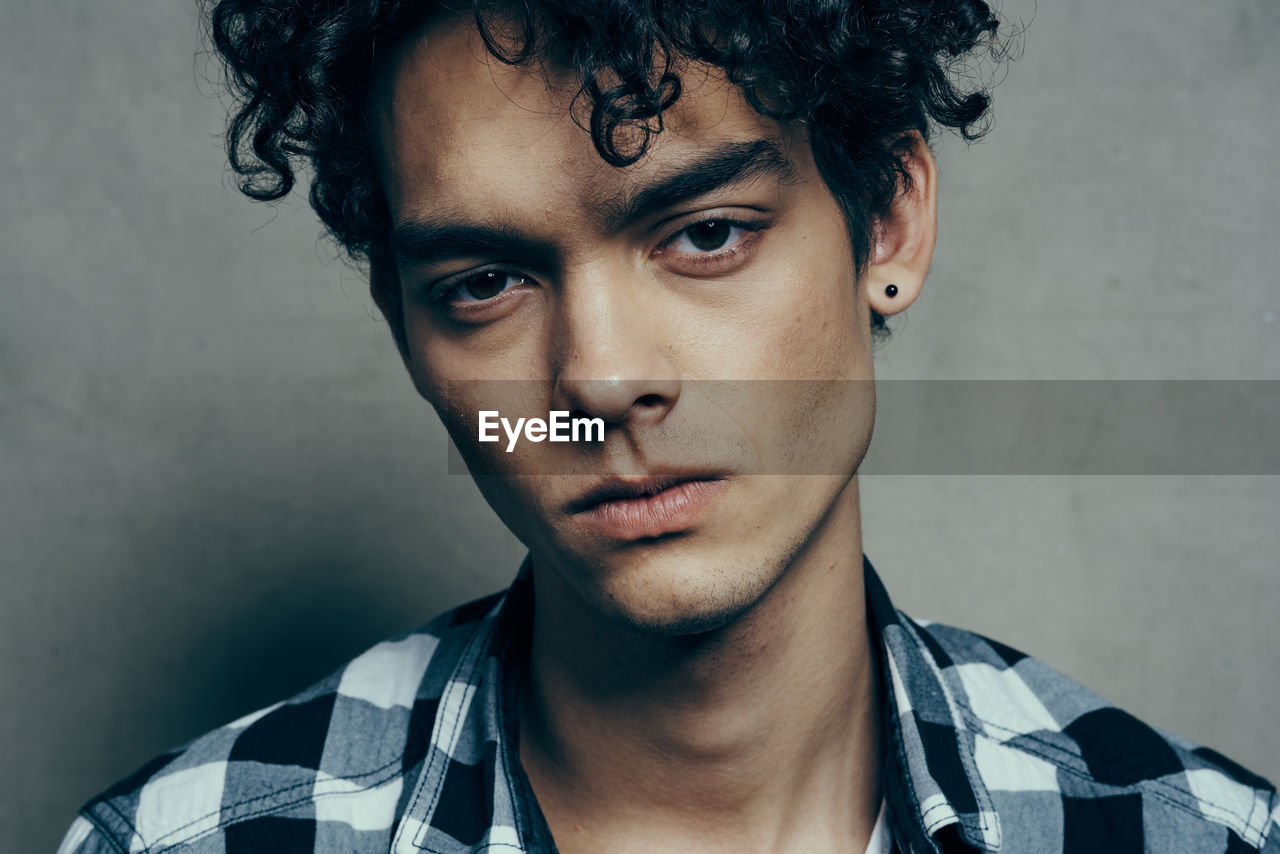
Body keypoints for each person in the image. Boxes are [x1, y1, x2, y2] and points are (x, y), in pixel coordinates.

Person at [57, 1, 1278, 852]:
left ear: (887, 223)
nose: (601, 380)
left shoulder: (1183, 833)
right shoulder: (195, 841)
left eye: (703, 233)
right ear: (404, 325)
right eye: (483, 281)